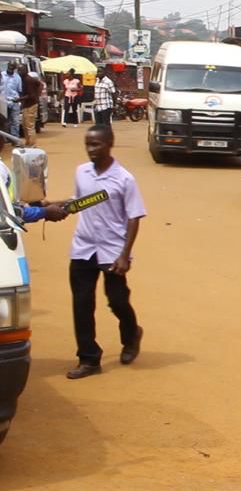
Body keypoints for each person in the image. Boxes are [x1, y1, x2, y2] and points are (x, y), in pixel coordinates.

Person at [63, 125, 146, 379]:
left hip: (112, 250)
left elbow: (134, 217)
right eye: (87, 144)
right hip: (84, 247)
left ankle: (131, 335)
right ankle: (89, 359)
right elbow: (82, 202)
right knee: (82, 305)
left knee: (118, 300)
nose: (90, 149)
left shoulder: (124, 179)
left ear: (110, 144)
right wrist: (52, 207)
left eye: (96, 144)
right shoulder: (82, 172)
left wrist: (124, 254)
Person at [18, 66, 40, 146]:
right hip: (26, 105)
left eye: (21, 70)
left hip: (30, 105)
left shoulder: (28, 80)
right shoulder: (24, 80)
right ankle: (28, 143)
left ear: (25, 71)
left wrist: (19, 99)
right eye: (19, 70)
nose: (19, 72)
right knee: (24, 125)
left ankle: (33, 144)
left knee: (29, 126)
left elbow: (31, 95)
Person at [1, 62, 22, 139]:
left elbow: (19, 90)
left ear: (15, 68)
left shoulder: (17, 78)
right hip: (3, 101)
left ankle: (15, 138)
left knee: (15, 121)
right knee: (4, 121)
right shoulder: (2, 75)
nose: (11, 68)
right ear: (7, 66)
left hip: (14, 102)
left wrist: (19, 101)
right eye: (10, 66)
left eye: (13, 66)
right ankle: (4, 138)